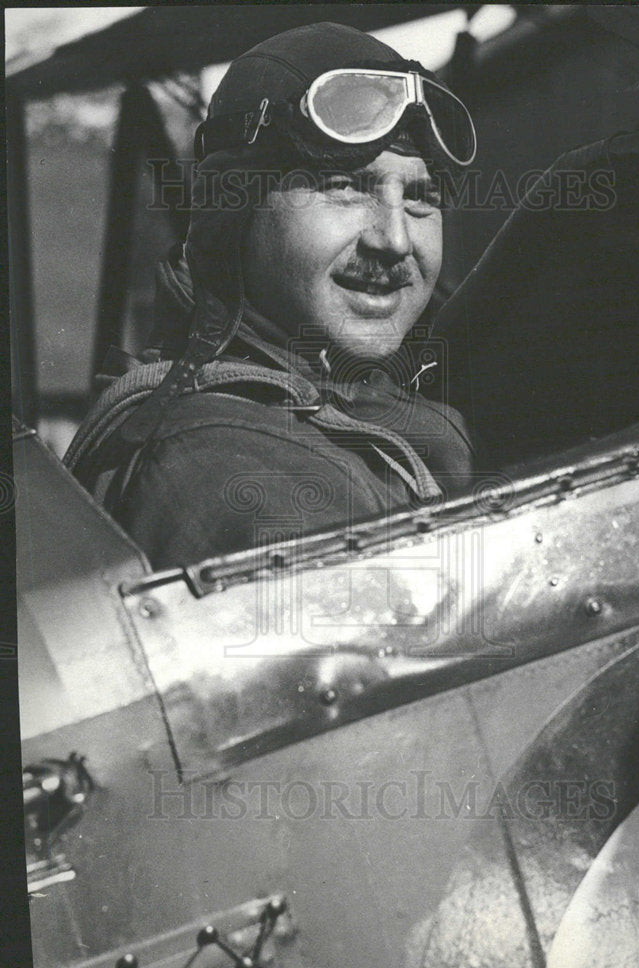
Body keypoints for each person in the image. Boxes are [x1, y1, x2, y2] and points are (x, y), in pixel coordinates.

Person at [65, 23, 477, 570]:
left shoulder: (360, 410)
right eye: (344, 186)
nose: (395, 240)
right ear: (234, 215)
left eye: (422, 198)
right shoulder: (232, 468)